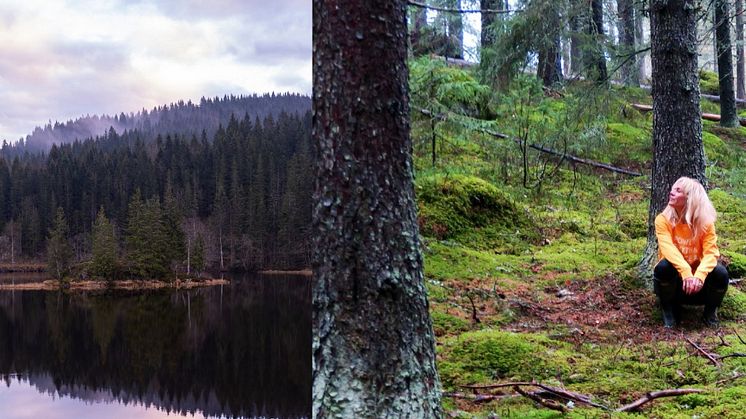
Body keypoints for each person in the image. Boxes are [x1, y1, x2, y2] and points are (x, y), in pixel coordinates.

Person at [653, 176, 729, 328]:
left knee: (721, 273)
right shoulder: (663, 220)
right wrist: (686, 272)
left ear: (689, 198)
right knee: (663, 268)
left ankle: (710, 312)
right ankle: (668, 309)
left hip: (698, 287)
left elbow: (711, 253)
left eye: (678, 190)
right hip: (675, 286)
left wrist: (699, 277)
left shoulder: (706, 223)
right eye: (673, 189)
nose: (671, 192)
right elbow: (668, 249)